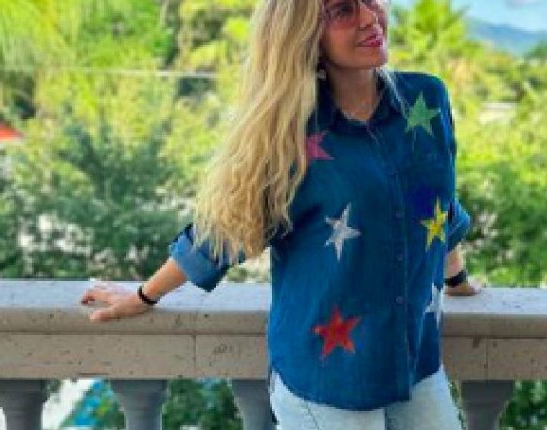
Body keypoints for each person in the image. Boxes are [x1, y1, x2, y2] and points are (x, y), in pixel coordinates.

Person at [80, 0, 484, 428]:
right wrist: (144, 295)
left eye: (370, 0)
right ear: (304, 33)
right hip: (328, 380)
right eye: (342, 11)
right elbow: (225, 231)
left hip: (415, 361)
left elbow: (435, 204)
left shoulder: (427, 98)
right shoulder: (290, 130)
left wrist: (455, 278)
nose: (369, 18)